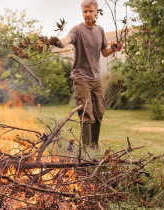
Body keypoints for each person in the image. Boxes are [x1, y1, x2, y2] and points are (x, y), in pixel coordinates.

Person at [54, 0, 122, 150]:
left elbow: (105, 52)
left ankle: (94, 145)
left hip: (96, 78)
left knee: (99, 112)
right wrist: (59, 42)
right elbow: (67, 39)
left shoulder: (100, 31)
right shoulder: (77, 30)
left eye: (90, 11)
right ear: (82, 12)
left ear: (96, 12)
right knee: (86, 112)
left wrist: (114, 49)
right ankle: (85, 151)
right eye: (85, 11)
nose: (87, 14)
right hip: (81, 77)